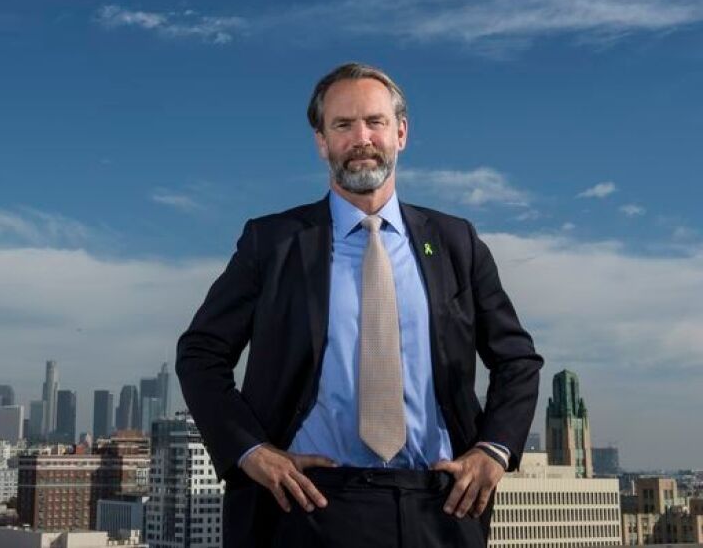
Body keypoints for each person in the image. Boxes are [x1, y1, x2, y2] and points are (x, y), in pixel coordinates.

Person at [176, 62, 543, 548]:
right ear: (322, 142)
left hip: (440, 505)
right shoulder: (272, 242)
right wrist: (251, 452)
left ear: (401, 133)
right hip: (306, 508)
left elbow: (517, 359)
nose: (361, 137)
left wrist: (493, 452)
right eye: (343, 125)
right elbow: (201, 353)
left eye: (375, 122)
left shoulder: (458, 243)